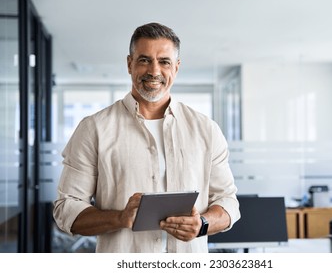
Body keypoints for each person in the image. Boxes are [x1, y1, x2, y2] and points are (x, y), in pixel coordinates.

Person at [53, 22, 240, 253]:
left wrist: (202, 224)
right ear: (129, 64)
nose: (154, 71)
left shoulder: (206, 130)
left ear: (176, 68)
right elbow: (66, 208)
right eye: (144, 60)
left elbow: (228, 202)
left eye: (164, 62)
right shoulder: (94, 129)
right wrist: (120, 218)